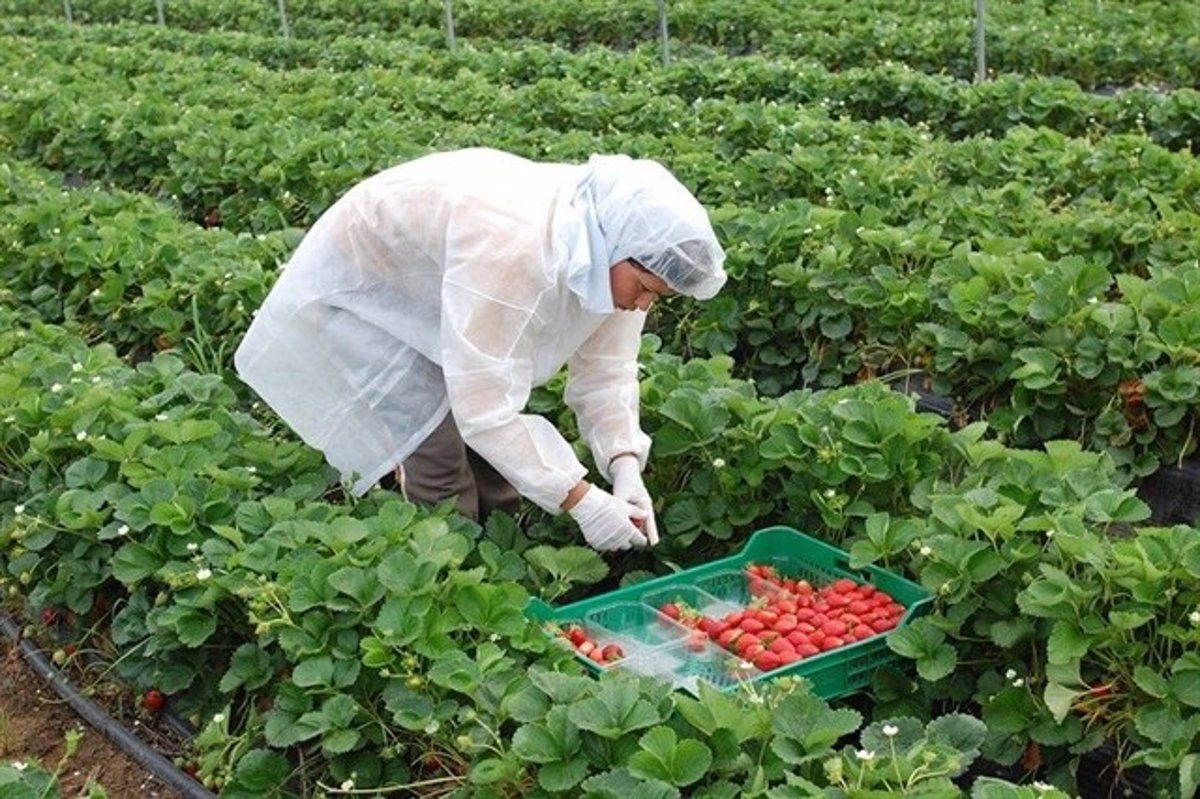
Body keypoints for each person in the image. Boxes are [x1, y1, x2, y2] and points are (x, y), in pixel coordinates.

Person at [234, 147, 726, 552]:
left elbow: (607, 373)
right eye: (643, 287)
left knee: (494, 469)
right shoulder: (517, 250)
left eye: (656, 298)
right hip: (370, 291)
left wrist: (623, 465)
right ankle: (444, 582)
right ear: (617, 246)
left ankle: (498, 571)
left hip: (445, 279)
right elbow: (486, 411)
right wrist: (581, 501)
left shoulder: (612, 255)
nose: (642, 304)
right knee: (438, 463)